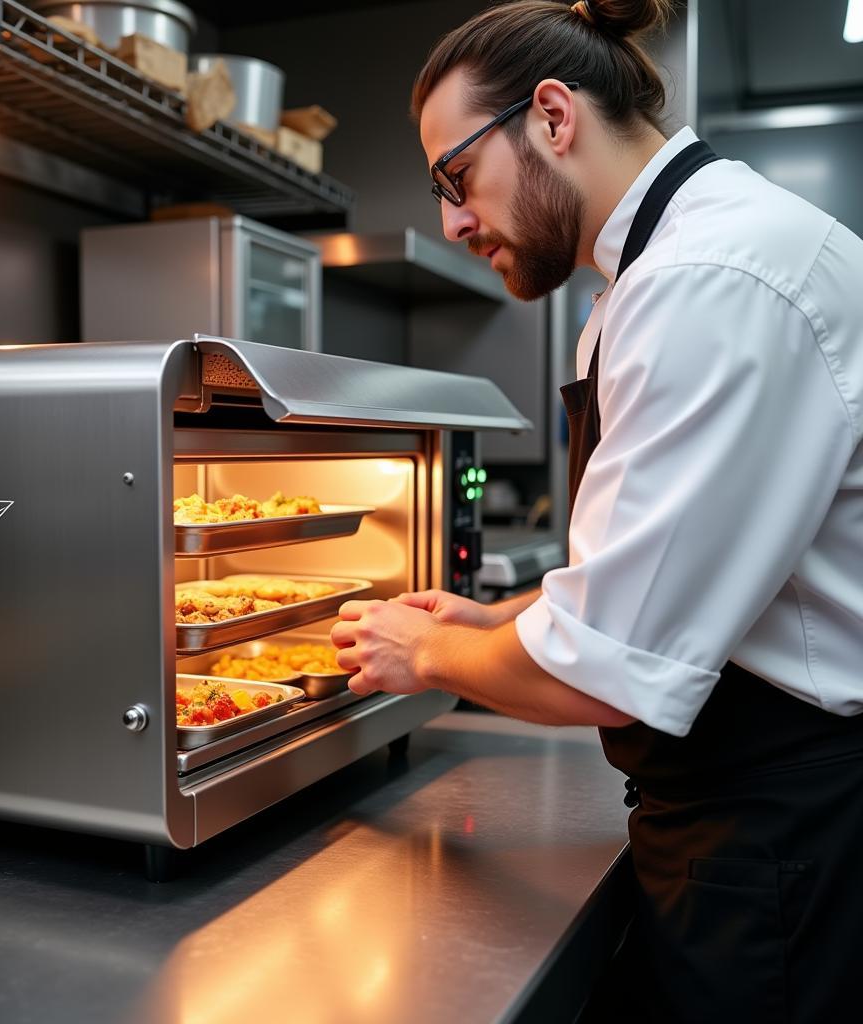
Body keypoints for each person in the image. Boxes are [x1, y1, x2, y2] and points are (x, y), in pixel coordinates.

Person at [330, 1, 863, 1020]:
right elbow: (676, 568)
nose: (450, 219)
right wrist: (498, 618)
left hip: (784, 835)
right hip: (752, 811)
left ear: (552, 117)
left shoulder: (709, 282)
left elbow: (607, 667)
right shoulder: (663, 274)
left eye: (454, 177)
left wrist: (425, 655)